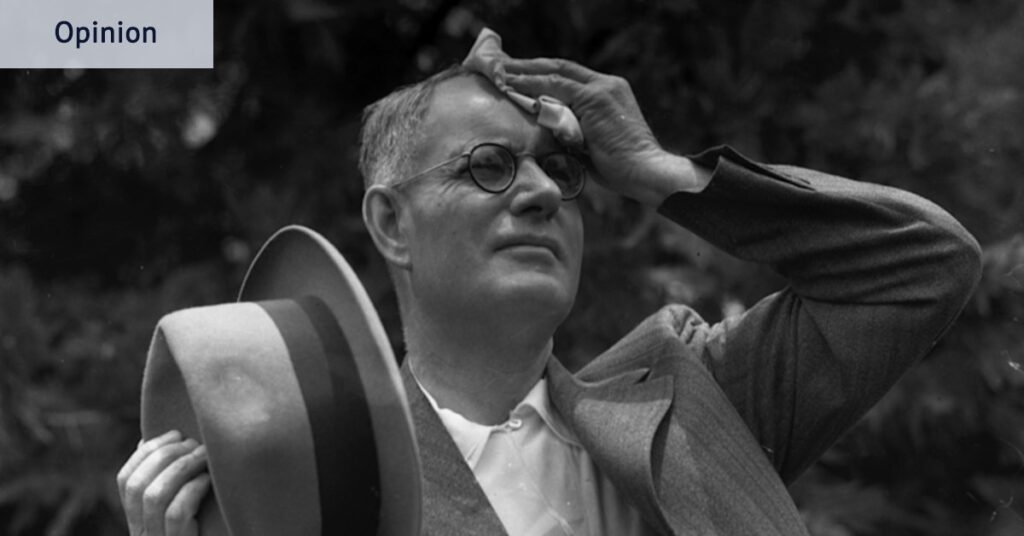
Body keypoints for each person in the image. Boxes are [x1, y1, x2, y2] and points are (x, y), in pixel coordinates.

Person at [116, 53, 981, 535]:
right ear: (391, 224)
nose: (538, 192)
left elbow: (922, 265)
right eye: (489, 165)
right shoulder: (326, 499)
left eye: (562, 170)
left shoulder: (692, 396)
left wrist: (659, 173)